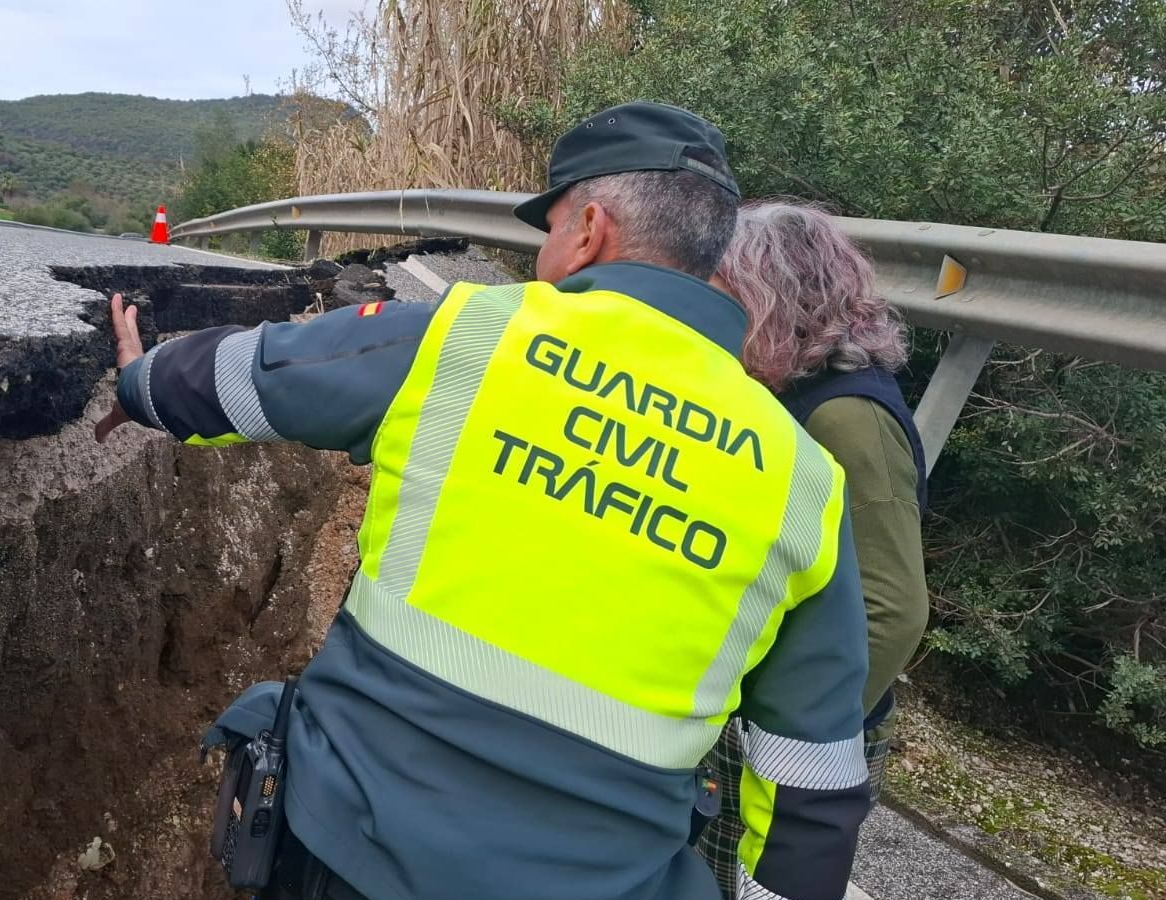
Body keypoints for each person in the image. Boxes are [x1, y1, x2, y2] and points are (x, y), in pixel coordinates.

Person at [95, 102, 872, 900]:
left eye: (551, 228)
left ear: (591, 229)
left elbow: (256, 377)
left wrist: (141, 380)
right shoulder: (803, 482)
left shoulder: (469, 338)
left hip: (355, 849)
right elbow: (814, 781)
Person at [696, 200, 930, 896]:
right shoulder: (790, 393)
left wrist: (797, 729)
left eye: (724, 293)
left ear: (772, 298)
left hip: (796, 738)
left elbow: (895, 609)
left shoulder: (845, 418)